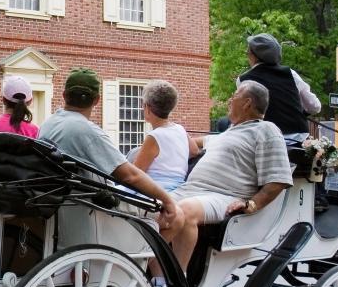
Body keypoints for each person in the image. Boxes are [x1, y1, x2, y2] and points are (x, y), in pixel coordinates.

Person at [161, 81, 294, 270]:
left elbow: (278, 179)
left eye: (234, 96)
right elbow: (186, 143)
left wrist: (252, 204)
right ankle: (150, 273)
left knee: (184, 210)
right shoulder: (226, 134)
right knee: (150, 206)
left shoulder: (266, 130)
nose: (230, 100)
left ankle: (175, 284)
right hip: (190, 191)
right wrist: (158, 140)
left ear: (247, 103)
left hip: (225, 196)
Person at [39, 67, 182, 238]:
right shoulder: (87, 131)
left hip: (61, 205)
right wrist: (167, 200)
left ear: (64, 95)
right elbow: (130, 176)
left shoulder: (47, 125)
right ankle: (149, 264)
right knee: (178, 217)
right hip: (96, 207)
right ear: (97, 100)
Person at [237, 33, 321, 142]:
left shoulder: (243, 80)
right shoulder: (290, 74)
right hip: (297, 137)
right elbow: (315, 106)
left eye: (248, 52)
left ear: (253, 56)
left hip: (263, 138)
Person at [132, 79, 198, 192]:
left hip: (156, 190)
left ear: (147, 108)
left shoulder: (154, 137)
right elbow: (194, 151)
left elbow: (134, 174)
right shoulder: (180, 129)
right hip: (178, 188)